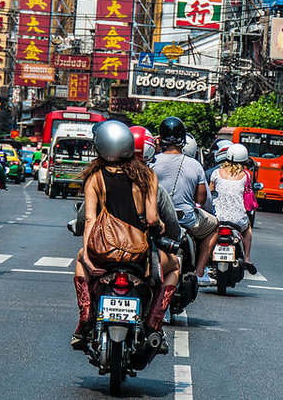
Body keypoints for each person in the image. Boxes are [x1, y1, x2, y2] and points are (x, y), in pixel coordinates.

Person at [72, 121, 180, 349]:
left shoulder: (95, 177)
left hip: (104, 255)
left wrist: (89, 260)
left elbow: (90, 220)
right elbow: (152, 219)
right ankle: (153, 323)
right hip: (138, 256)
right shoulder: (148, 176)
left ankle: (86, 316)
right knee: (175, 268)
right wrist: (159, 226)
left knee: (79, 260)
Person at [151, 117, 218, 287]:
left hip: (157, 218)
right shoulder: (194, 165)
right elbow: (202, 200)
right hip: (186, 218)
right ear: (183, 139)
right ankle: (201, 273)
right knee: (215, 225)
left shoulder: (151, 163)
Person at [209, 143, 258, 275]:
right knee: (247, 229)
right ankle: (247, 259)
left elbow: (210, 194)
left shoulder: (216, 173)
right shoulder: (246, 175)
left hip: (217, 218)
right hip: (238, 221)